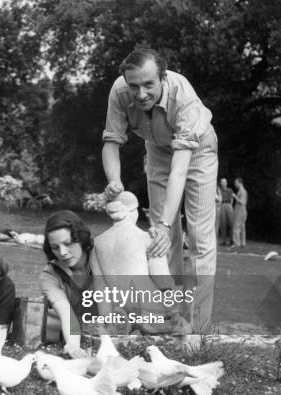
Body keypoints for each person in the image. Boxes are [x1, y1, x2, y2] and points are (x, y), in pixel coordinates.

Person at [101, 47, 218, 334]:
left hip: (197, 149)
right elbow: (111, 142)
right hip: (156, 150)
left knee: (199, 238)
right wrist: (114, 181)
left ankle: (198, 328)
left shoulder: (184, 98)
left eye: (148, 84)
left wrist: (167, 223)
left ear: (163, 77)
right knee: (160, 241)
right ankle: (170, 318)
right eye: (134, 86)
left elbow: (180, 169)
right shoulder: (119, 91)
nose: (140, 94)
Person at [89, 192, 192, 335]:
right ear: (133, 212)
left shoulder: (97, 243)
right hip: (148, 311)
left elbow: (101, 290)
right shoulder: (147, 237)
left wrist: (106, 320)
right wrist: (176, 317)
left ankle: (124, 324)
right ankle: (152, 324)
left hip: (121, 312)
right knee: (186, 326)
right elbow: (163, 280)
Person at [40, 210, 113, 359]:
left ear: (80, 238)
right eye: (55, 247)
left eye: (68, 243)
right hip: (79, 326)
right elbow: (67, 314)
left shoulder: (101, 256)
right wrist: (73, 346)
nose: (62, 252)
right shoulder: (49, 275)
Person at [232, 177, 248, 247]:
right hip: (241, 210)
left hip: (240, 210)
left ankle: (237, 244)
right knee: (242, 227)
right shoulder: (241, 191)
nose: (235, 185)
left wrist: (235, 196)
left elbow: (242, 202)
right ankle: (242, 243)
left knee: (236, 227)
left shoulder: (242, 191)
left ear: (240, 183)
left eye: (236, 183)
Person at [218, 177, 234, 246]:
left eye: (224, 182)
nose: (223, 183)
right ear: (221, 183)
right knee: (222, 224)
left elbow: (232, 198)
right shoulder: (219, 190)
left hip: (228, 205)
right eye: (222, 182)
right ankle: (223, 240)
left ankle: (232, 240)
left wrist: (231, 205)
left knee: (231, 223)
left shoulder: (230, 190)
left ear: (226, 183)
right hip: (221, 205)